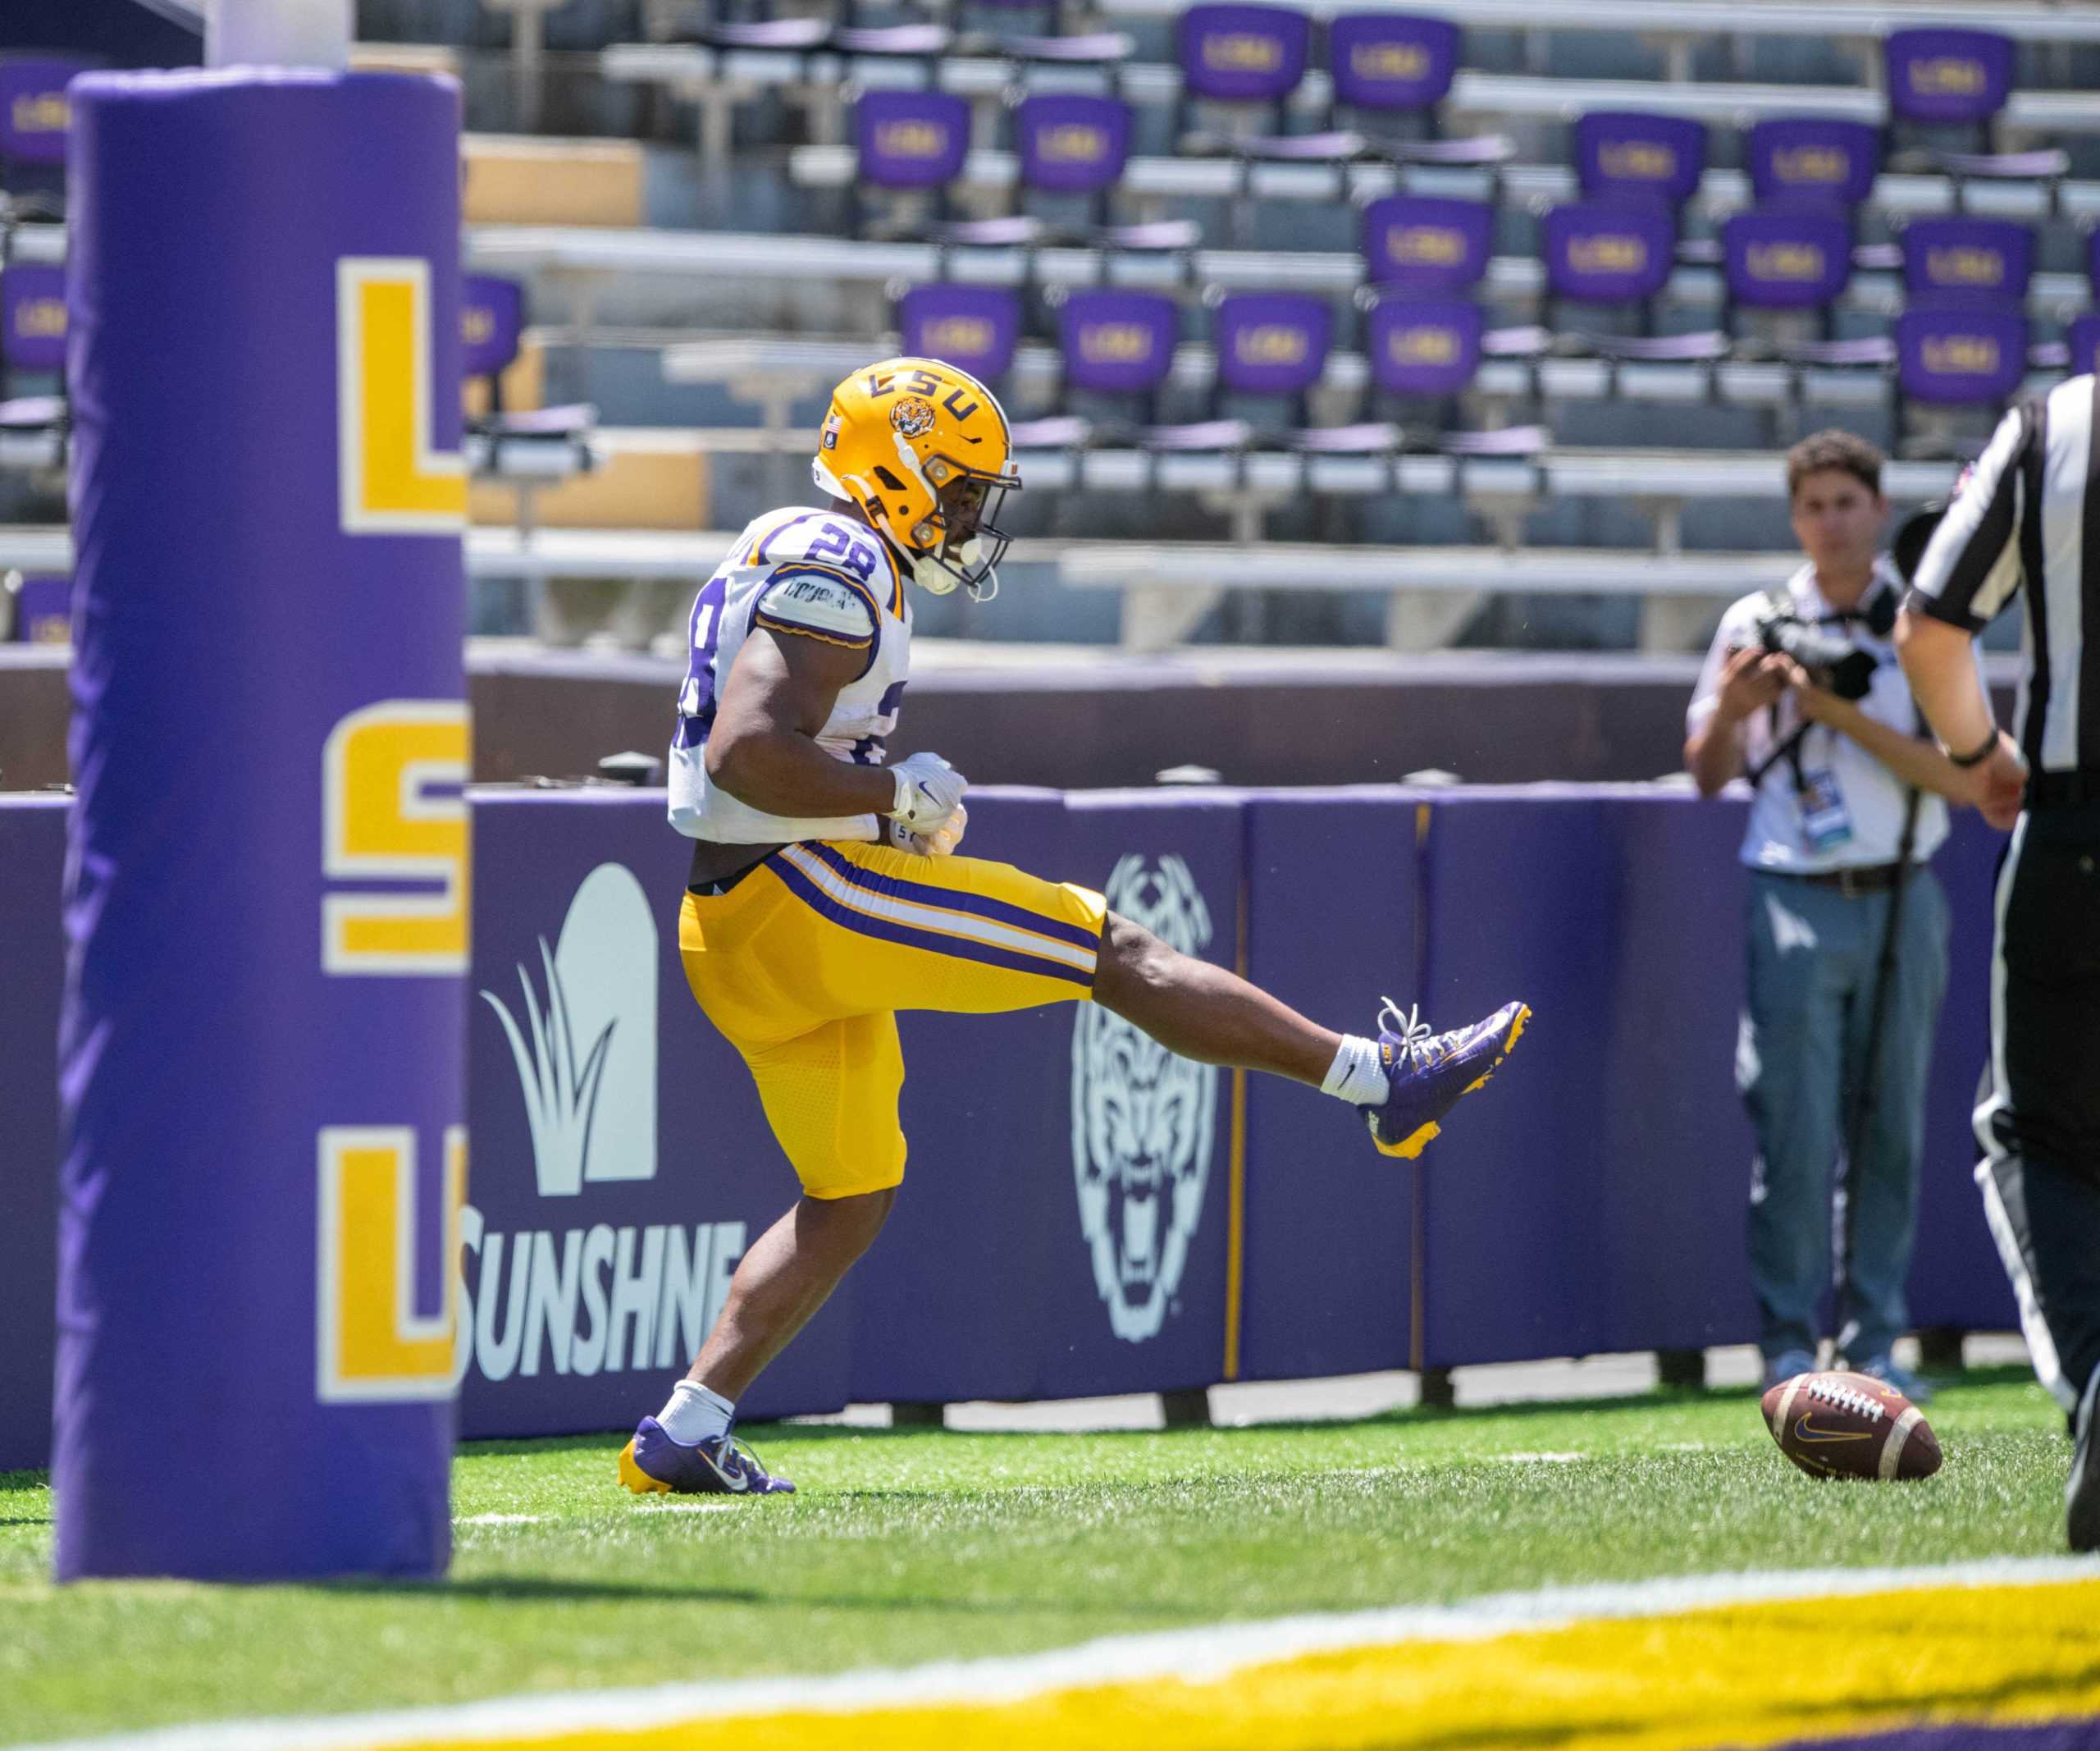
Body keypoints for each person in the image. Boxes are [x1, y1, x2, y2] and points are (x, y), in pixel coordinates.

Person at [614, 358, 1529, 1497]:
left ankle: (684, 1427)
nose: (961, 514)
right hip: (801, 895)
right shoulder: (840, 564)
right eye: (952, 486)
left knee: (850, 1190)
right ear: (894, 462)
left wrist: (873, 793)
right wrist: (891, 792)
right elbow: (745, 749)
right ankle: (1377, 1081)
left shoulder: (798, 542)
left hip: (733, 923)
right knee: (1109, 949)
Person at [1685, 430, 1980, 1399]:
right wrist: (1735, 707)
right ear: (1793, 520)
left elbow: (1964, 777)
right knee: (1794, 1129)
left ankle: (1873, 1345)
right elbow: (1704, 776)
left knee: (1890, 1128)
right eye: (1810, 506)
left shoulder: (1921, 624)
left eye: (1845, 502)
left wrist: (1836, 709)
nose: (1829, 522)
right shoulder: (1756, 618)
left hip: (1901, 891)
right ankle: (1783, 1342)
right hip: (1792, 894)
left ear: (1878, 509)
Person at [1897, 372, 2100, 1552]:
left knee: (2036, 1134)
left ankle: (2097, 1384)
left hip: (2076, 832)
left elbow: (1929, 625)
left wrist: (1982, 752)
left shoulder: (2054, 423)